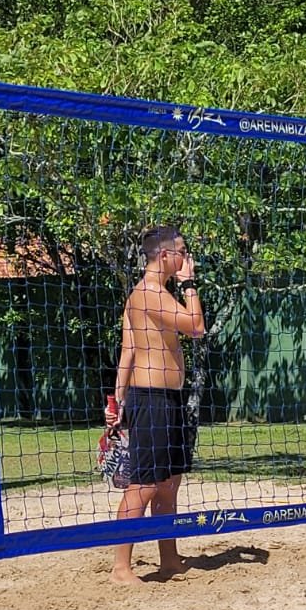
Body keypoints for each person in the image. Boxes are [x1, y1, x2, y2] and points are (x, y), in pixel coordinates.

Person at [104, 226, 206, 584]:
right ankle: (120, 568)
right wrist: (190, 283)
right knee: (143, 486)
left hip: (165, 399)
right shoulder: (149, 294)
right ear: (165, 256)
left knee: (168, 484)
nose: (186, 258)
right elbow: (196, 326)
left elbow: (128, 351)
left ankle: (169, 559)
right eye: (182, 251)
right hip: (152, 399)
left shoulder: (142, 296)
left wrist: (116, 403)